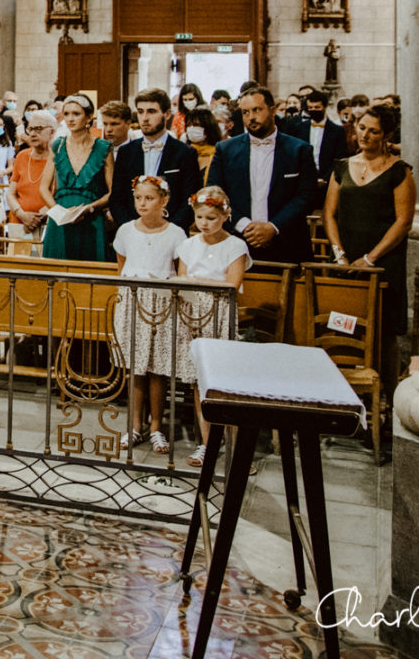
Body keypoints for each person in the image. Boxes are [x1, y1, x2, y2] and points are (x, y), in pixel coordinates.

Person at [323, 103, 416, 372]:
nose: (364, 135)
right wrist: (339, 254)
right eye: (361, 127)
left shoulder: (399, 171)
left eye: (373, 131)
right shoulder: (342, 166)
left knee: (383, 331)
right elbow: (329, 214)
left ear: (387, 135)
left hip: (383, 260)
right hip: (345, 259)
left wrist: (370, 259)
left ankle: (385, 389)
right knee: (343, 324)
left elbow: (404, 221)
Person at [113, 175, 188, 455]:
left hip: (162, 304)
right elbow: (121, 267)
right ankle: (135, 426)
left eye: (149, 198)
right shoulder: (125, 231)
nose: (142, 204)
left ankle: (156, 426)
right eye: (138, 198)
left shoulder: (176, 234)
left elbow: (181, 271)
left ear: (164, 200)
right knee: (136, 366)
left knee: (157, 368)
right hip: (133, 301)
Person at [177, 186, 249, 467]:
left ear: (225, 216)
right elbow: (182, 279)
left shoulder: (235, 246)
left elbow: (232, 284)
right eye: (200, 217)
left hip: (220, 313)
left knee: (222, 381)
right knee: (198, 380)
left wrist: (197, 282)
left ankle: (233, 444)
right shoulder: (188, 245)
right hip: (192, 314)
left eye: (211, 218)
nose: (204, 223)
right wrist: (190, 285)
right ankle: (207, 443)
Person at [206, 87, 319, 266]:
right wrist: (244, 225)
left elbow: (307, 196)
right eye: (245, 112)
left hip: (288, 244)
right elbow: (214, 194)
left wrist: (273, 227)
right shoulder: (225, 149)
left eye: (257, 110)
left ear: (273, 111)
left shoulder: (299, 149)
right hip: (236, 243)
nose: (251, 117)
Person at [109, 88, 202, 232]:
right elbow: (117, 199)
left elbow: (190, 199)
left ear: (167, 114)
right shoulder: (126, 152)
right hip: (133, 232)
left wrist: (169, 231)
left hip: (172, 232)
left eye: (151, 111)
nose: (144, 118)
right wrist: (131, 229)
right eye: (140, 112)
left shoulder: (185, 153)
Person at [43, 97, 112, 261]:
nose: (70, 119)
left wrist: (90, 208)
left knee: (89, 271)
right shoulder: (57, 146)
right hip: (60, 221)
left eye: (76, 114)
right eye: (66, 114)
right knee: (57, 270)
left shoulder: (104, 148)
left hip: (91, 221)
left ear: (89, 117)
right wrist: (58, 212)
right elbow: (43, 187)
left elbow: (112, 192)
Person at [7, 109, 57, 240]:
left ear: (52, 132)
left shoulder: (58, 159)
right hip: (19, 222)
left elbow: (59, 195)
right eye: (30, 129)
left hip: (46, 222)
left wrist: (39, 217)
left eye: (39, 129)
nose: (33, 134)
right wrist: (21, 214)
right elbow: (10, 193)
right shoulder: (22, 156)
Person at [303, 86, 349, 185]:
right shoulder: (299, 128)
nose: (313, 110)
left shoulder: (337, 131)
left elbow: (339, 158)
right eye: (310, 107)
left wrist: (325, 179)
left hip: (327, 181)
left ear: (325, 106)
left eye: (317, 107)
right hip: (304, 180)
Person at [184, 106, 222, 174]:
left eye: (196, 125)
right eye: (188, 125)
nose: (191, 128)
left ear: (208, 127)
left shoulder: (219, 156)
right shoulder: (184, 154)